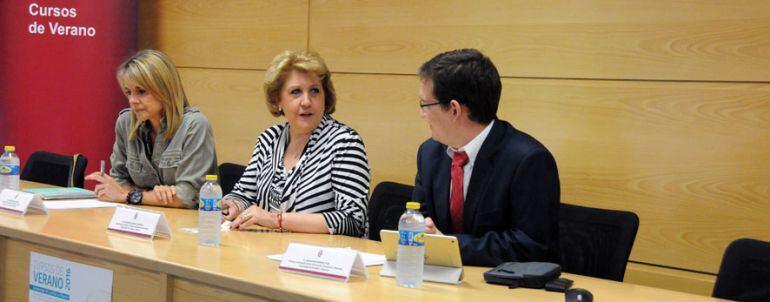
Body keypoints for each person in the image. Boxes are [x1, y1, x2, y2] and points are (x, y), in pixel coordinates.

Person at [413, 49, 560, 266]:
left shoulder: (528, 160)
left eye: (425, 105)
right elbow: (420, 217)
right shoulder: (430, 153)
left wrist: (449, 244)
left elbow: (531, 245)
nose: (422, 114)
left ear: (454, 109)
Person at [221, 50, 370, 237]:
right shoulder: (270, 138)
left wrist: (276, 220)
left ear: (325, 97)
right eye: (296, 92)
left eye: (314, 91)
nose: (306, 101)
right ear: (278, 99)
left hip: (318, 258)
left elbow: (353, 220)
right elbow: (244, 194)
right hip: (268, 251)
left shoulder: (345, 144)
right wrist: (233, 206)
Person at [86, 49, 218, 208]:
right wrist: (149, 196)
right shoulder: (125, 122)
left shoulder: (194, 125)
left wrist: (130, 195)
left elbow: (188, 196)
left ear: (164, 90)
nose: (133, 100)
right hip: (138, 219)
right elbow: (119, 181)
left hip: (186, 224)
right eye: (128, 92)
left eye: (141, 91)